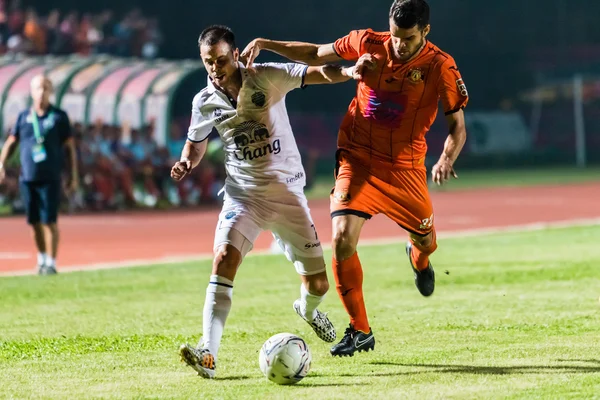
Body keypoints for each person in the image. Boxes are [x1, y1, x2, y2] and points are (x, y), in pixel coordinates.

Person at [241, 0, 469, 357]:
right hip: (357, 157)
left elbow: (457, 126)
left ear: (425, 31)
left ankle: (419, 257)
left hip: (405, 169)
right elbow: (316, 53)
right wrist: (267, 43)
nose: (399, 45)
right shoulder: (367, 42)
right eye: (395, 36)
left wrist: (445, 157)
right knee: (343, 239)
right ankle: (360, 329)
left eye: (408, 39)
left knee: (426, 241)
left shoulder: (441, 66)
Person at [171, 25, 373, 379]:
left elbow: (316, 72)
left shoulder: (266, 77)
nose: (215, 67)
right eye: (208, 62)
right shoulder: (203, 101)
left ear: (235, 55)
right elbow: (196, 140)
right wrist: (188, 160)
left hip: (286, 195)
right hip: (243, 195)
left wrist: (349, 72)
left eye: (220, 59)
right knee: (223, 259)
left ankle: (308, 311)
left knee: (318, 285)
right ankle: (209, 352)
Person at [0, 75, 79, 275]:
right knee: (34, 222)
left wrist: (73, 175)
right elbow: (11, 143)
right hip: (28, 177)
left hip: (51, 177)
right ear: (32, 91)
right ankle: (42, 258)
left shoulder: (59, 117)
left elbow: (70, 149)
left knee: (49, 220)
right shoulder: (23, 117)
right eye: (38, 88)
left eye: (45, 88)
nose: (41, 92)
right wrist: (1, 163)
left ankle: (51, 262)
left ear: (50, 91)